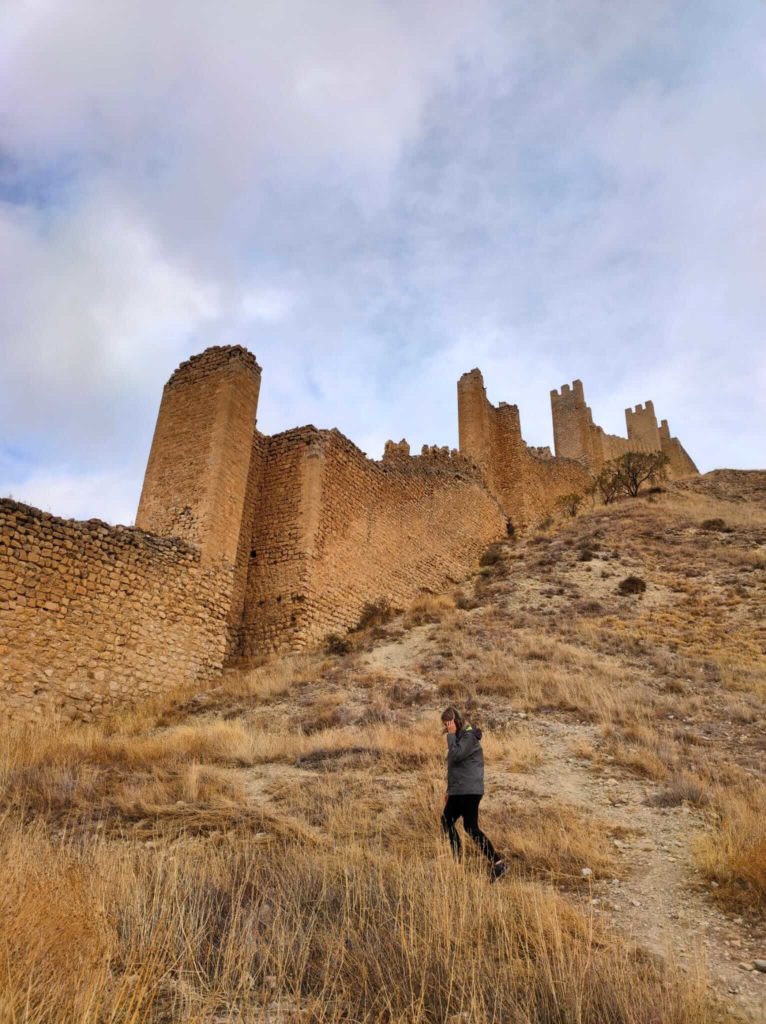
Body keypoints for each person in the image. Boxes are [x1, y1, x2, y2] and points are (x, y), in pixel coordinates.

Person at [440, 705, 507, 881]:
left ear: (455, 721)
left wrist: (451, 735)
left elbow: (457, 756)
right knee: (447, 821)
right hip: (458, 790)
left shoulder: (468, 736)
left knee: (470, 827)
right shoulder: (458, 737)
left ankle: (498, 864)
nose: (447, 726)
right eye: (445, 724)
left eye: (448, 723)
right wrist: (450, 790)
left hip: (469, 790)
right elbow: (454, 766)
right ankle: (457, 861)